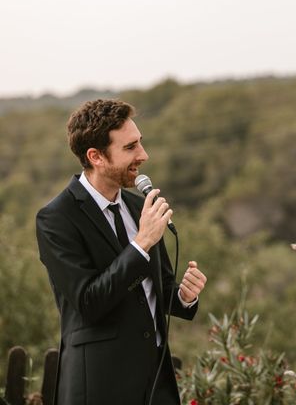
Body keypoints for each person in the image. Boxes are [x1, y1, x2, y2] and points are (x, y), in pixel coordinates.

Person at [36, 99, 207, 405]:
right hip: (99, 386)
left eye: (140, 143)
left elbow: (157, 287)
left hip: (157, 383)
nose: (143, 155)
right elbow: (89, 302)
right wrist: (140, 244)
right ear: (96, 156)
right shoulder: (55, 219)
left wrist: (184, 296)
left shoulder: (139, 207)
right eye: (130, 147)